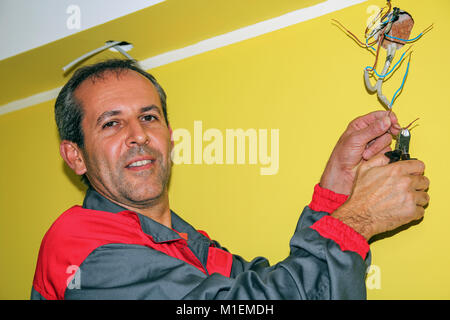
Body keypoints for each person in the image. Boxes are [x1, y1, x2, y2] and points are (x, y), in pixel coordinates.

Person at [31, 59, 430, 300]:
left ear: (169, 135)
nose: (138, 135)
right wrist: (358, 219)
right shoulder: (79, 246)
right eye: (111, 123)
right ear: (75, 155)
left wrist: (336, 190)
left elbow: (278, 287)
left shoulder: (190, 244)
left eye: (149, 117)